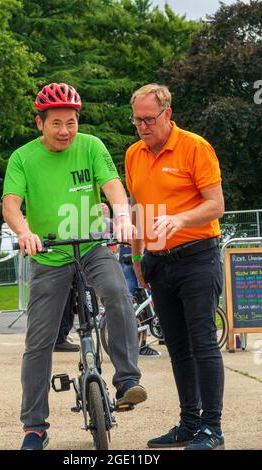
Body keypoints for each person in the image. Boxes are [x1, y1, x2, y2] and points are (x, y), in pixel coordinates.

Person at [2, 82, 147, 450]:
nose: (65, 131)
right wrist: (25, 232)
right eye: (56, 123)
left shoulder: (92, 146)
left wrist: (122, 216)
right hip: (49, 253)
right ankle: (34, 427)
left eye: (71, 122)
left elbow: (113, 185)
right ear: (40, 123)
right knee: (39, 341)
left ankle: (128, 381)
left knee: (117, 295)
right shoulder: (22, 158)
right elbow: (11, 204)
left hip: (93, 244)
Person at [125, 83, 225, 450]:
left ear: (167, 114)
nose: (143, 127)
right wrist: (137, 257)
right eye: (137, 120)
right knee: (178, 347)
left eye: (149, 119)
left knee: (203, 343)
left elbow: (216, 205)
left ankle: (212, 429)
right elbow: (136, 208)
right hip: (157, 263)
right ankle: (189, 422)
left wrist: (181, 220)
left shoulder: (195, 147)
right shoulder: (133, 153)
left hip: (197, 256)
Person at [118, 243, 160, 357]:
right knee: (146, 297)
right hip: (141, 249)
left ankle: (129, 343)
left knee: (130, 300)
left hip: (124, 248)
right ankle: (143, 344)